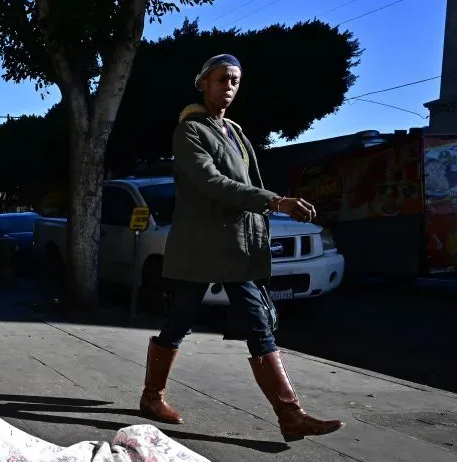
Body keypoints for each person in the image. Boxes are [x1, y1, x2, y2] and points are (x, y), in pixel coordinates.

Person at [139, 54, 343, 442]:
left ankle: (290, 414)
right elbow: (210, 181)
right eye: (221, 80)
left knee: (257, 321)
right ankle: (152, 397)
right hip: (201, 245)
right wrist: (275, 200)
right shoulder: (190, 131)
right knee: (180, 320)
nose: (228, 87)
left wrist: (266, 211)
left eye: (234, 80)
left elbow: (243, 182)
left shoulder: (234, 130)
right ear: (203, 83)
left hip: (236, 245)